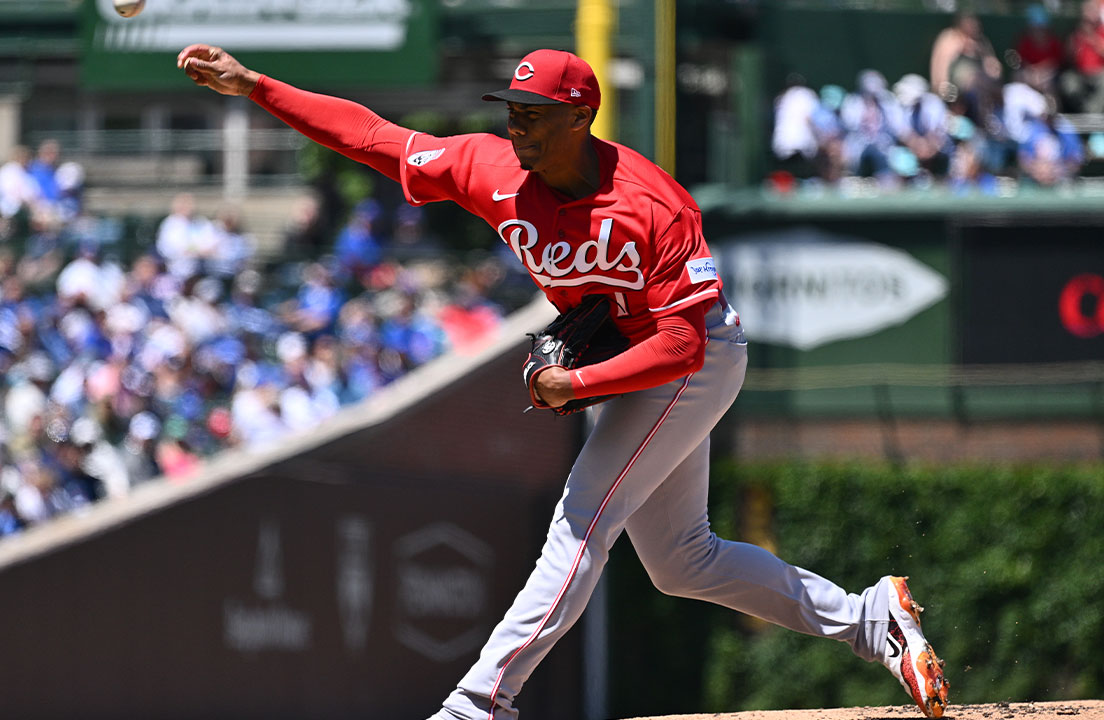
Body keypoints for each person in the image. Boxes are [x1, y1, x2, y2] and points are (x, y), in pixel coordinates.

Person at [179, 45, 951, 719]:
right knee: (683, 562)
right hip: (636, 361)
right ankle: (870, 618)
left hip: (696, 356)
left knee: (579, 523)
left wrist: (571, 390)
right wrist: (256, 85)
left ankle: (479, 702)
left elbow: (681, 347)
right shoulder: (490, 169)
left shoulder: (652, 203)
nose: (517, 124)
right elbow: (377, 139)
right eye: (513, 109)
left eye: (535, 114)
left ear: (579, 117)